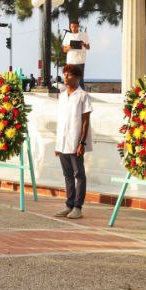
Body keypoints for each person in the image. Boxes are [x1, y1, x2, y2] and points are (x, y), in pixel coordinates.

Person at [53, 64, 93, 219]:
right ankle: (69, 205)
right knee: (67, 175)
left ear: (77, 77)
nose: (65, 77)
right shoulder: (62, 96)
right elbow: (61, 121)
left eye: (69, 75)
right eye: (64, 74)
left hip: (76, 142)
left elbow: (85, 121)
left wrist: (82, 143)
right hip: (62, 142)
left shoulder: (83, 96)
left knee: (79, 174)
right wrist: (58, 144)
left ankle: (78, 207)